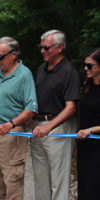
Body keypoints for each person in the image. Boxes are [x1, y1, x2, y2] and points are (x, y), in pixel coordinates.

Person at [0, 36, 38, 200]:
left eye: (0, 57)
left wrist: (10, 124)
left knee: (13, 182)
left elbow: (31, 108)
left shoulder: (24, 75)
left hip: (11, 134)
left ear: (14, 54)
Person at [31, 30, 80, 200]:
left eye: (46, 48)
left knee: (59, 180)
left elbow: (71, 107)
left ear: (59, 48)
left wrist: (49, 127)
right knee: (40, 179)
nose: (42, 51)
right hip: (38, 126)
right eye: (41, 47)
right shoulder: (41, 69)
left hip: (59, 127)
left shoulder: (69, 71)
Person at [76, 48, 100, 200]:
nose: (85, 68)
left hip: (98, 150)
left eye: (90, 65)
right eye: (85, 65)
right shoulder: (87, 86)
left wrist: (91, 130)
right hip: (85, 147)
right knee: (84, 188)